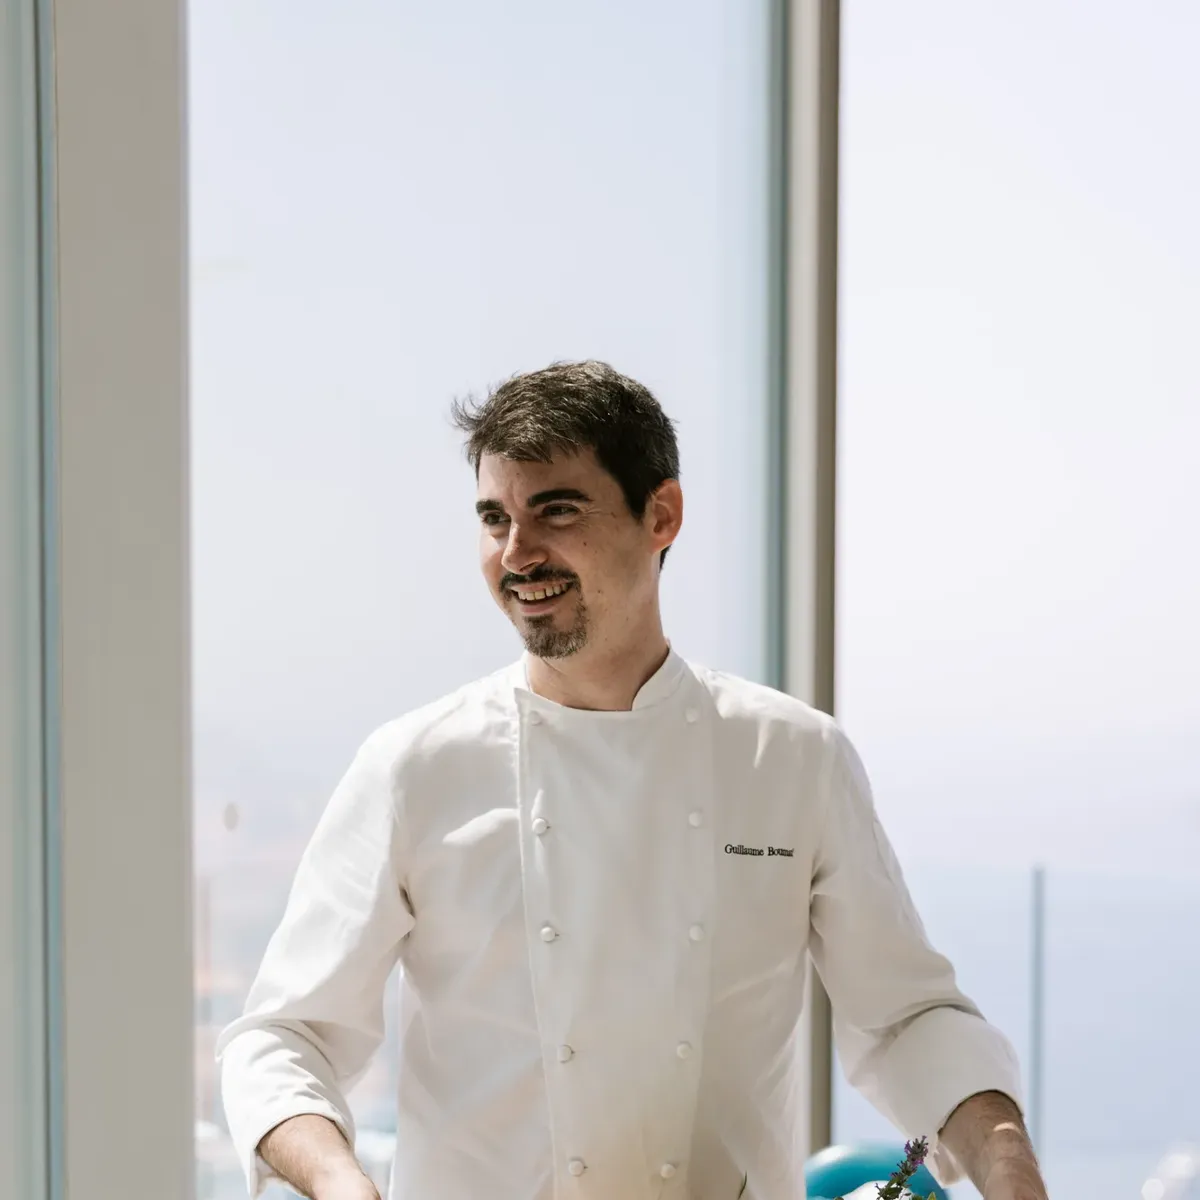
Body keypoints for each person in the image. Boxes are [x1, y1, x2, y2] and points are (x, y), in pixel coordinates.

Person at [217, 361, 1049, 1200]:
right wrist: (341, 1185)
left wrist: (1009, 1166)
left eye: (557, 510)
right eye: (494, 518)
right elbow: (284, 1037)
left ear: (662, 514)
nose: (517, 554)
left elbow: (908, 1019)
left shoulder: (792, 757)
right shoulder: (416, 767)